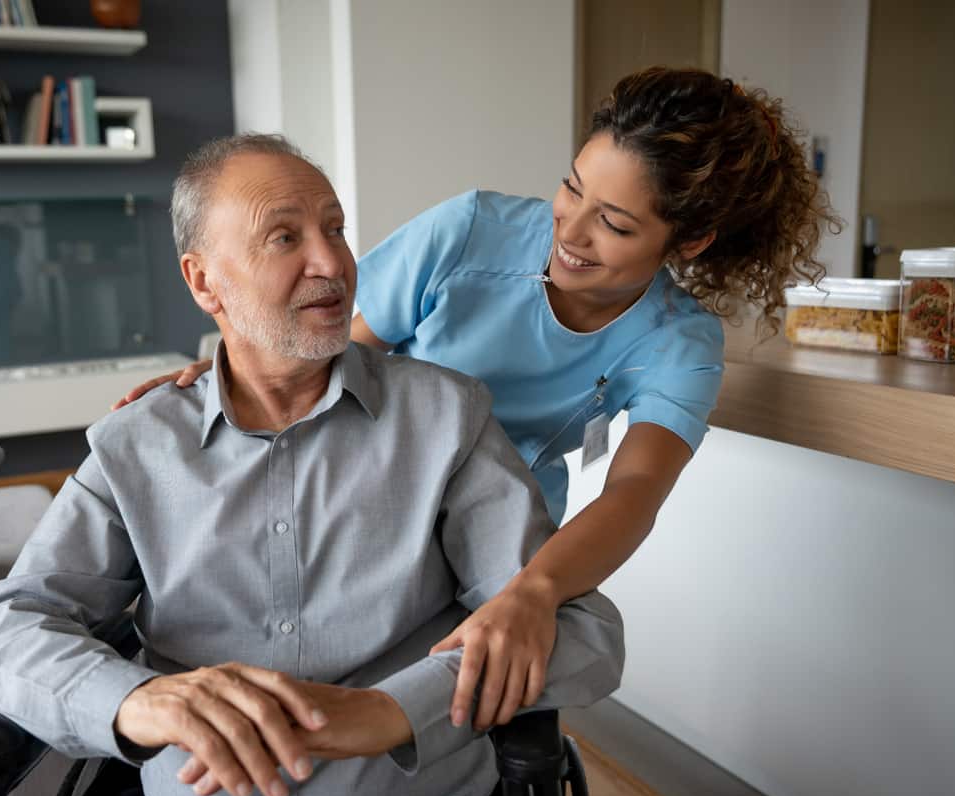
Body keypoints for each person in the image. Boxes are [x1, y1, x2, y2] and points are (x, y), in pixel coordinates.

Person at [115, 67, 840, 732]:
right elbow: (332, 352)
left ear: (689, 242)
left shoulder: (678, 341)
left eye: (615, 224)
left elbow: (636, 489)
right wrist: (221, 380)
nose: (573, 232)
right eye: (572, 188)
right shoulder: (470, 233)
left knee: (511, 665)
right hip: (368, 501)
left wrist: (534, 589)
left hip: (498, 543)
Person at [0, 134, 625, 796]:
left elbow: (580, 629)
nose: (332, 261)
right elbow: (1, 631)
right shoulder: (138, 443)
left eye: (335, 228)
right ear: (204, 281)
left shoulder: (446, 419)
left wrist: (396, 710)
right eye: (285, 237)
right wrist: (139, 702)